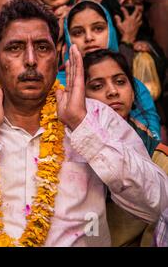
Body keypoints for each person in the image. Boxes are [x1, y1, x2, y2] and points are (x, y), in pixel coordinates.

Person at [0, 0, 168, 247]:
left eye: (42, 47)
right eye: (15, 48)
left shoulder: (95, 116)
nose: (30, 60)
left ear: (57, 56)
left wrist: (82, 127)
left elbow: (156, 202)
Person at [83, 49, 168, 246]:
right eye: (97, 86)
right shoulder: (68, 153)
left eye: (120, 82)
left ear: (133, 92)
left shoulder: (158, 156)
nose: (113, 91)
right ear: (80, 97)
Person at [60, 0, 161, 140]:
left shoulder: (135, 86)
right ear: (68, 38)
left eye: (98, 29)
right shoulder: (57, 87)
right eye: (78, 33)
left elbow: (153, 142)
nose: (89, 38)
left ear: (111, 30)